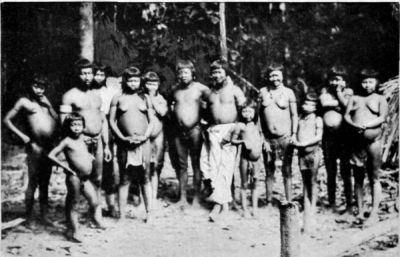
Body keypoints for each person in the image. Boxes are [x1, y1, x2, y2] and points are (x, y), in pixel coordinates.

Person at [3, 74, 58, 228]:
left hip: (48, 146)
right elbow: (6, 120)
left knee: (45, 183)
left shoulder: (45, 102)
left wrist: (49, 105)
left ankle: (45, 216)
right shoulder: (24, 102)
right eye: (36, 86)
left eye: (42, 87)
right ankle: (29, 217)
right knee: (33, 181)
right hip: (35, 146)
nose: (39, 90)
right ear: (30, 86)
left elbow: (57, 119)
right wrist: (23, 136)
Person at [200, 59, 246, 222]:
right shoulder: (210, 92)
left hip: (230, 131)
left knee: (225, 168)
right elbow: (206, 114)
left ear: (226, 73)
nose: (216, 75)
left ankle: (221, 206)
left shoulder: (235, 90)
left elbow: (245, 113)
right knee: (211, 167)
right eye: (214, 72)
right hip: (213, 131)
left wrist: (237, 131)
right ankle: (220, 202)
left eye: (219, 72)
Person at [60, 58, 112, 201]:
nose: (87, 77)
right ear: (77, 75)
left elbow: (103, 120)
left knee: (98, 178)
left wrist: (106, 145)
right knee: (77, 179)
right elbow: (64, 125)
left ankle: (96, 213)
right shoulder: (69, 96)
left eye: (89, 73)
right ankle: (74, 212)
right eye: (83, 74)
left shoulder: (96, 95)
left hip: (98, 140)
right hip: (80, 142)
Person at [48, 113, 105, 242]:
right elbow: (51, 155)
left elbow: (87, 147)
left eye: (79, 125)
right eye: (73, 125)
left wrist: (89, 155)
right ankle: (75, 231)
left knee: (95, 201)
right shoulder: (66, 141)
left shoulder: (84, 138)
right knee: (74, 204)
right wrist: (65, 166)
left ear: (83, 126)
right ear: (68, 127)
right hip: (74, 177)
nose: (76, 128)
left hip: (85, 178)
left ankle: (90, 221)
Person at [109, 66, 154, 222]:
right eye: (130, 80)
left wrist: (145, 136)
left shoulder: (145, 98)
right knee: (124, 179)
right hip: (125, 144)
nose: (133, 83)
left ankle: (149, 213)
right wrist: (122, 137)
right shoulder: (118, 97)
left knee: (145, 177)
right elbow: (111, 122)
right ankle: (122, 215)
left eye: (136, 80)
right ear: (125, 81)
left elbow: (151, 121)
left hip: (143, 143)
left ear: (140, 81)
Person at [344, 69, 388, 226]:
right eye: (364, 81)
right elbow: (347, 115)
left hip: (373, 142)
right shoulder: (355, 98)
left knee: (374, 177)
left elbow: (382, 117)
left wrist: (367, 125)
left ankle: (374, 213)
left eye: (370, 81)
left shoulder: (380, 99)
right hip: (356, 142)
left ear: (376, 83)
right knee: (358, 177)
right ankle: (361, 211)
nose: (367, 85)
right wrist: (354, 124)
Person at [170, 60, 210, 208]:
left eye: (186, 72)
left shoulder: (201, 89)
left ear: (192, 73)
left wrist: (206, 118)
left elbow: (213, 102)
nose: (183, 75)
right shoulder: (175, 90)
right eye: (180, 72)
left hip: (195, 130)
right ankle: (182, 197)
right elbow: (169, 105)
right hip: (179, 132)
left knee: (196, 164)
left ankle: (197, 198)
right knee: (182, 166)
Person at [259, 63, 298, 203]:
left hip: (285, 137)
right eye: (271, 75)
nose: (274, 78)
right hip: (269, 139)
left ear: (282, 76)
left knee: (287, 170)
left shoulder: (289, 92)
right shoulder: (263, 91)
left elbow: (294, 115)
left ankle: (288, 200)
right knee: (269, 170)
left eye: (277, 75)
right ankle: (269, 201)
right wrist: (262, 137)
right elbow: (258, 116)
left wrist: (294, 134)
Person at [319, 65, 353, 215]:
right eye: (333, 79)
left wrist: (340, 94)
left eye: (338, 80)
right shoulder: (325, 92)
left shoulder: (349, 92)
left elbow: (349, 106)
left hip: (344, 137)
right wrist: (340, 103)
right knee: (330, 170)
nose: (335, 83)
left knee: (345, 171)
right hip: (329, 138)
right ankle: (331, 201)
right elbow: (324, 103)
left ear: (344, 81)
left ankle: (349, 203)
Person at [92, 62, 121, 218]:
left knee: (108, 170)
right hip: (89, 132)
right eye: (96, 74)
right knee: (92, 172)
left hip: (106, 130)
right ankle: (94, 206)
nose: (99, 77)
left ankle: (111, 205)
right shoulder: (88, 92)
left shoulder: (110, 91)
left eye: (102, 74)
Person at [291, 92, 323, 233]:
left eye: (311, 104)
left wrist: (303, 143)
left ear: (316, 107)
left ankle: (312, 210)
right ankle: (306, 206)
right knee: (305, 181)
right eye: (305, 103)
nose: (307, 106)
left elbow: (318, 137)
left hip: (313, 153)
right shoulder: (300, 118)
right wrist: (296, 142)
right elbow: (295, 132)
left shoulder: (317, 119)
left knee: (313, 181)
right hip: (302, 154)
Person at [228, 100, 262, 218]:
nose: (247, 114)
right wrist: (242, 141)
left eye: (250, 111)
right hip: (245, 159)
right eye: (244, 111)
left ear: (255, 112)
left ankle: (255, 208)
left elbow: (261, 135)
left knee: (255, 183)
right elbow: (233, 140)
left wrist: (265, 144)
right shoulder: (240, 126)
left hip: (257, 160)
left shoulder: (257, 124)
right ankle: (245, 209)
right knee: (244, 184)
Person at [143, 71, 168, 209]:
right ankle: (144, 199)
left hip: (158, 135)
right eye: (148, 83)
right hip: (145, 136)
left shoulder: (161, 98)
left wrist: (152, 98)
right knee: (144, 168)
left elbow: (163, 112)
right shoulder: (140, 97)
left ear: (158, 85)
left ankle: (154, 197)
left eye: (154, 83)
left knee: (156, 167)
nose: (151, 86)